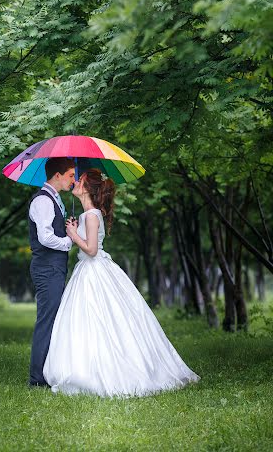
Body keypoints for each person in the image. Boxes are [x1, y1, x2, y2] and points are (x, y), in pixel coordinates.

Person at [43, 168, 200, 397]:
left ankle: (99, 371)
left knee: (98, 318)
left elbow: (92, 250)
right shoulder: (90, 214)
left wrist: (73, 234)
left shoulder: (92, 215)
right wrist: (76, 231)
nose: (75, 182)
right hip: (88, 270)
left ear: (88, 189)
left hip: (92, 270)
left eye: (81, 180)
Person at [28, 157, 76, 387]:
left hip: (54, 267)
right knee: (46, 321)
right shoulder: (43, 201)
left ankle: (47, 373)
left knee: (53, 320)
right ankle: (37, 379)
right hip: (47, 268)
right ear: (57, 176)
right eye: (70, 175)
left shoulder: (55, 200)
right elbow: (45, 238)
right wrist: (69, 241)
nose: (73, 180)